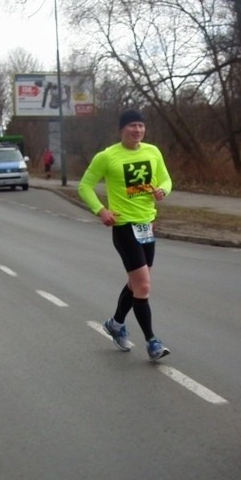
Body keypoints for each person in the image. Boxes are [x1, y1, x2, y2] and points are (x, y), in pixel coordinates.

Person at [78, 109, 173, 361]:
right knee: (143, 285)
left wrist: (162, 190)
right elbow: (84, 185)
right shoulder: (107, 156)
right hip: (123, 227)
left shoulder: (152, 152)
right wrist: (101, 210)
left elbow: (166, 179)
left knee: (135, 284)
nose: (137, 130)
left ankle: (116, 323)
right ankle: (152, 341)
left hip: (146, 226)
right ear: (122, 129)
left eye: (141, 126)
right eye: (132, 125)